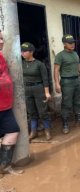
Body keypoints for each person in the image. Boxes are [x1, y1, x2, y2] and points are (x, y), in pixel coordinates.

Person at [54, 34, 80, 134]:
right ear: (64, 44)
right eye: (70, 43)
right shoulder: (60, 56)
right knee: (66, 103)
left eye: (73, 42)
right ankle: (65, 124)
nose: (72, 44)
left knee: (78, 100)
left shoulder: (75, 54)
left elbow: (79, 67)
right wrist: (57, 84)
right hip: (66, 81)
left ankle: (78, 120)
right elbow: (56, 70)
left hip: (77, 81)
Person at [0, 30, 23, 177]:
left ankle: (4, 165)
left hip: (5, 106)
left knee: (13, 130)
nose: (1, 41)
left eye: (1, 38)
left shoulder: (1, 57)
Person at [21, 42, 52, 141]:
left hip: (38, 88)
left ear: (31, 52)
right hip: (27, 89)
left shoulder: (39, 64)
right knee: (31, 112)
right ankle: (33, 132)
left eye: (25, 51)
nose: (22, 53)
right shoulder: (21, 63)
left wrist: (47, 92)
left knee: (43, 111)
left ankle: (47, 131)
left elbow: (45, 79)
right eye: (22, 51)